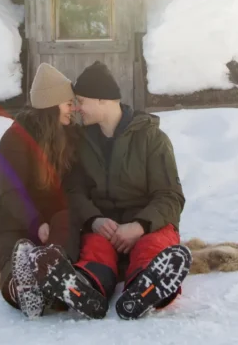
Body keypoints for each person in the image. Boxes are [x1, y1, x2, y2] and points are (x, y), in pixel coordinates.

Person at [66, 61, 192, 320]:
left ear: (102, 100)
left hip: (145, 223)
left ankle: (147, 287)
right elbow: (73, 192)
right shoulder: (81, 142)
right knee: (94, 248)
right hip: (105, 225)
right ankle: (85, 288)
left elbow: (170, 196)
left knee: (154, 244)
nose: (77, 108)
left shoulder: (151, 138)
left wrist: (140, 225)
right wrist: (94, 219)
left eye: (80, 101)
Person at [0, 63, 107, 320]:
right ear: (51, 104)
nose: (73, 108)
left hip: (51, 222)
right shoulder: (15, 139)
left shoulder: (69, 136)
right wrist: (35, 223)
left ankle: (55, 270)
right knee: (16, 254)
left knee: (67, 221)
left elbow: (73, 188)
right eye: (67, 103)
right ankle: (22, 289)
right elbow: (11, 192)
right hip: (9, 223)